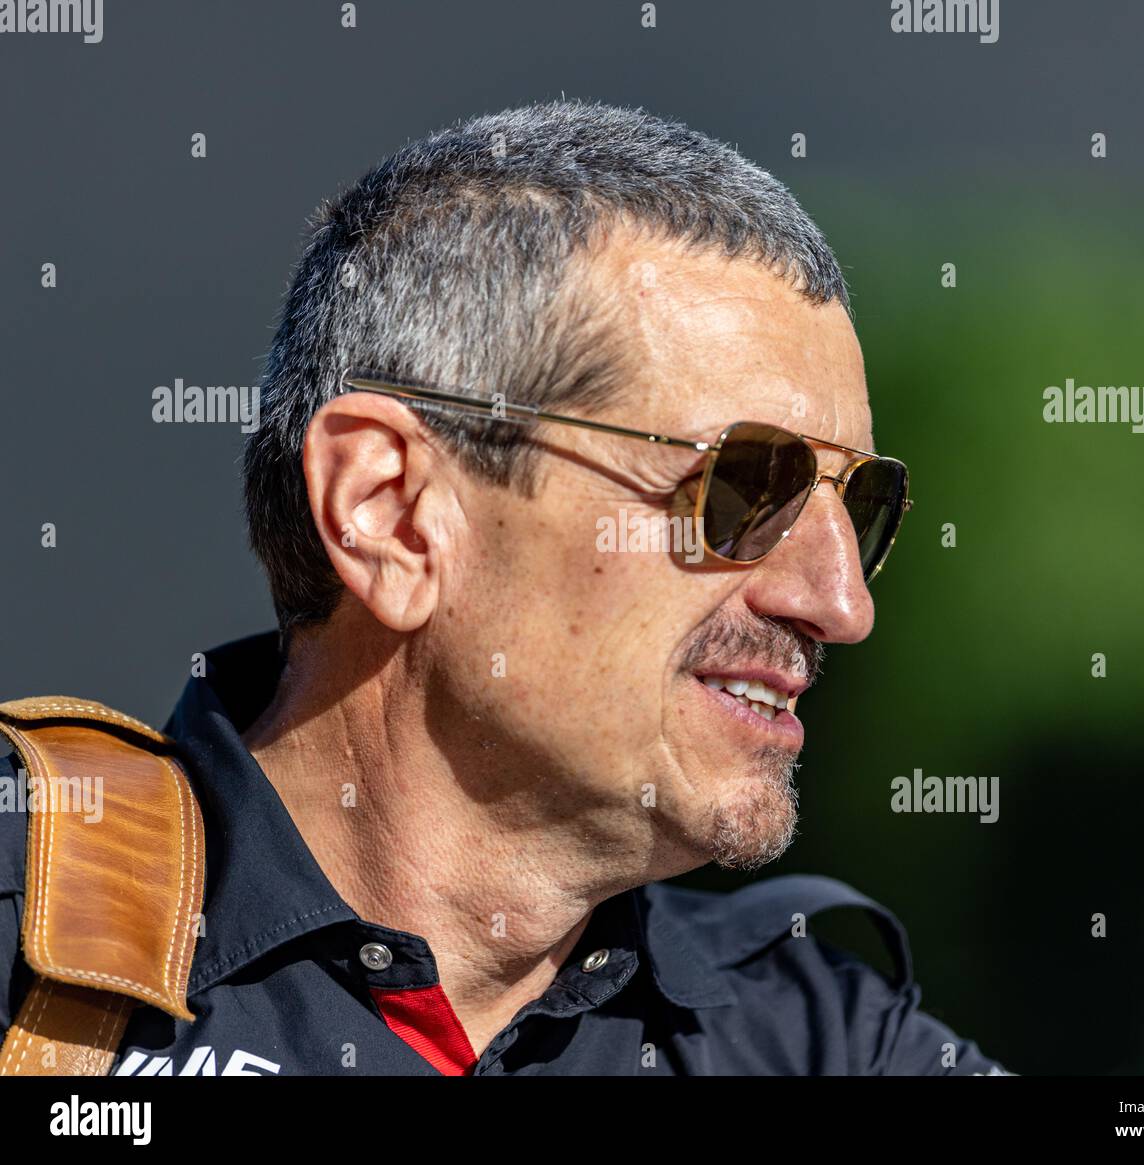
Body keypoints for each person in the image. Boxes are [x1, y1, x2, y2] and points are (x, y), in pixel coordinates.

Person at [0, 99, 1007, 1075]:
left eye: (861, 505)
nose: (840, 603)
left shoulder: (823, 1042)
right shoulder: (26, 941)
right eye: (749, 485)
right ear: (392, 511)